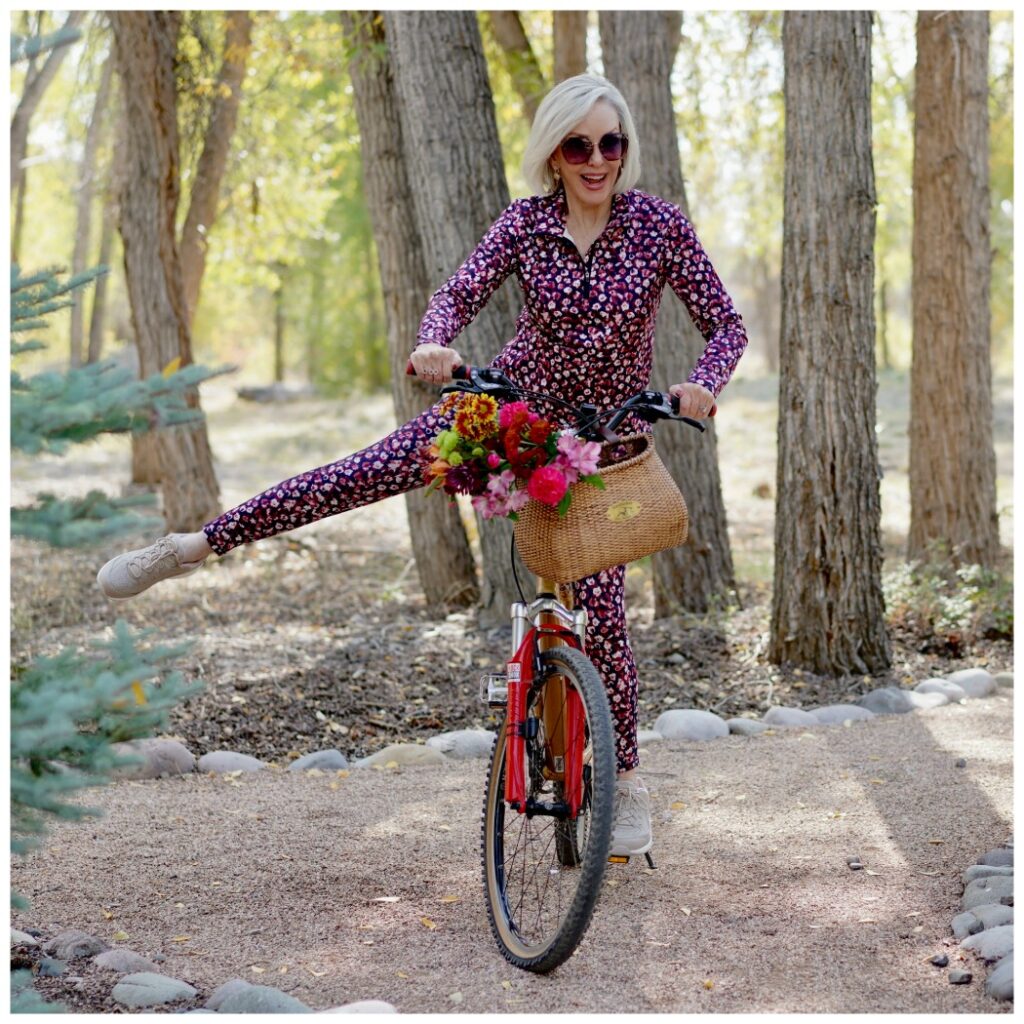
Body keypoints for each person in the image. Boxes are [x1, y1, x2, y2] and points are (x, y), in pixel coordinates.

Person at [98, 73, 748, 858]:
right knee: (356, 474)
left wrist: (703, 385)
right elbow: (459, 292)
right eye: (579, 144)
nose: (597, 159)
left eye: (611, 142)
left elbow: (726, 324)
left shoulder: (656, 228)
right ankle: (195, 544)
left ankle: (627, 781)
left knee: (604, 613)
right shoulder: (525, 224)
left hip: (597, 443)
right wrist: (436, 341)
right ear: (554, 153)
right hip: (499, 413)